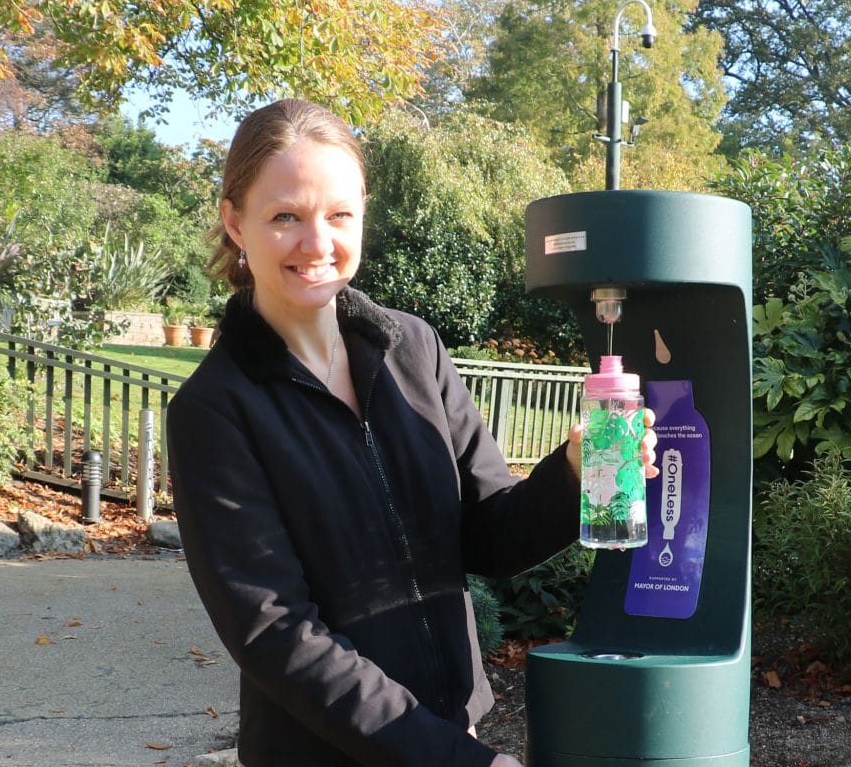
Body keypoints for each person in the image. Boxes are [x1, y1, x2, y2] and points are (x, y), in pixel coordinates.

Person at [166, 98, 658, 767]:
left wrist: (572, 471)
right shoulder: (216, 410)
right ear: (235, 221)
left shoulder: (413, 349)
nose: (317, 243)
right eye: (286, 216)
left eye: (340, 215)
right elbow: (276, 632)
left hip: (452, 734)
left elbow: (488, 535)